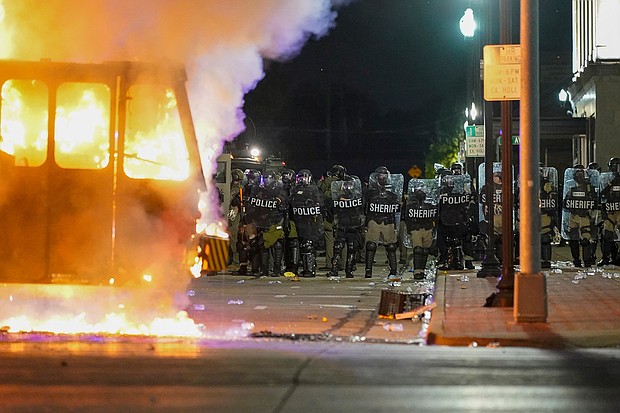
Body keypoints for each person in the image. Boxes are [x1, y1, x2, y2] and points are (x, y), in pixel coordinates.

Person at [364, 166, 403, 279]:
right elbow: (364, 206)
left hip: (388, 220)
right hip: (374, 219)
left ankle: (394, 270)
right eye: (381, 175)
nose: (383, 177)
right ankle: (368, 270)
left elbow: (397, 208)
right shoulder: (370, 192)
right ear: (376, 177)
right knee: (371, 245)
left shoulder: (392, 192)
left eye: (385, 175)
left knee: (391, 246)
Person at [289, 169, 324, 277]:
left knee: (308, 245)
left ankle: (309, 269)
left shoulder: (314, 190)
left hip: (310, 222)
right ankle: (296, 268)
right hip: (298, 221)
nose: (302, 180)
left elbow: (320, 206)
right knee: (296, 244)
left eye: (304, 178)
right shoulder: (295, 190)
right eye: (300, 178)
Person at [562, 164, 599, 267]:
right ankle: (576, 260)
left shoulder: (589, 188)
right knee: (573, 239)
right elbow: (565, 203)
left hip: (584, 217)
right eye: (577, 173)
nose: (579, 176)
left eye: (581, 173)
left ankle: (587, 261)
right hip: (573, 216)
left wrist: (592, 216)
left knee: (586, 239)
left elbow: (594, 202)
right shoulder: (571, 188)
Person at [329, 175, 364, 278]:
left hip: (353, 226)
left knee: (352, 248)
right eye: (346, 185)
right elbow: (333, 210)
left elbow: (361, 210)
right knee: (337, 248)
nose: (348, 187)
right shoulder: (338, 197)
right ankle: (335, 269)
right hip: (342, 225)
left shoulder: (358, 196)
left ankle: (349, 271)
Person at [404, 179, 438, 280]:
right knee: (418, 250)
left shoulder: (430, 205)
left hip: (427, 228)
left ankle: (422, 270)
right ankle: (417, 271)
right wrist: (410, 230)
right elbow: (407, 218)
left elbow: (435, 217)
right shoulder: (411, 206)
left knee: (425, 250)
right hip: (416, 228)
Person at [318, 164, 346, 270]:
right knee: (342, 240)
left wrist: (322, 180)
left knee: (329, 239)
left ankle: (330, 264)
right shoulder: (347, 183)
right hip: (342, 215)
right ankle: (343, 263)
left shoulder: (328, 182)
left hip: (329, 215)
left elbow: (319, 189)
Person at [235, 169, 262, 275]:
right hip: (244, 219)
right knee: (241, 244)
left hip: (254, 221)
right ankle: (243, 267)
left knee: (254, 245)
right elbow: (237, 202)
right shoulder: (243, 190)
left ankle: (255, 268)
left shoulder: (260, 192)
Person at [598, 157, 620, 266]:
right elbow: (602, 194)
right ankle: (605, 258)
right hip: (610, 210)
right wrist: (611, 183)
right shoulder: (605, 179)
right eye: (614, 165)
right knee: (606, 234)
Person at [227, 168, 245, 266]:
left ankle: (236, 260)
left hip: (235, 216)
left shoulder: (238, 189)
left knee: (234, 238)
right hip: (232, 215)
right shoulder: (234, 188)